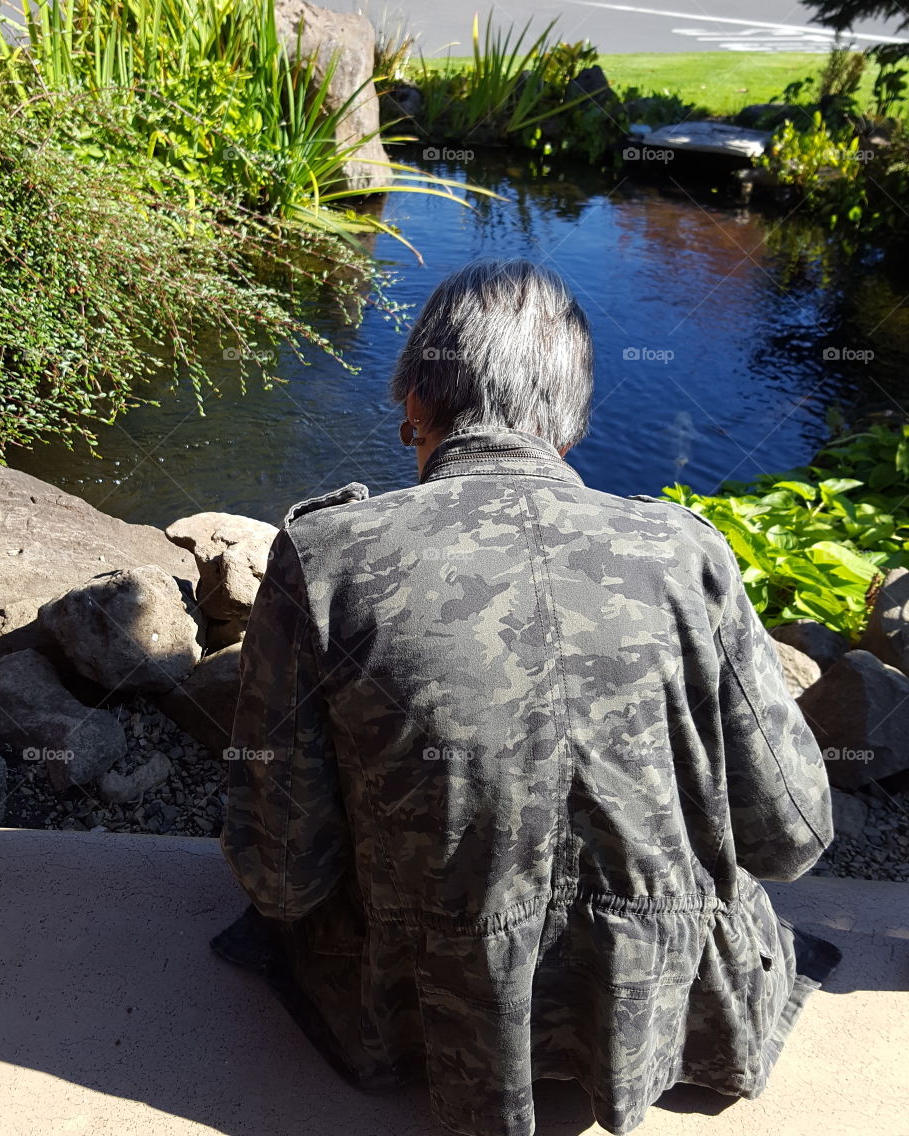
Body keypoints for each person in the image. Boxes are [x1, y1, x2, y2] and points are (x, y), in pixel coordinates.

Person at [214, 258, 840, 1136]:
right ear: (568, 426)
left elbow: (281, 873)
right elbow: (794, 838)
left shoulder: (325, 557)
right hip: (657, 1015)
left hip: (417, 1020)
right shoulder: (683, 554)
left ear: (419, 407)